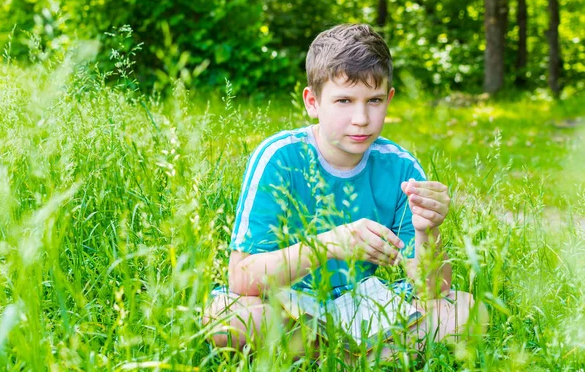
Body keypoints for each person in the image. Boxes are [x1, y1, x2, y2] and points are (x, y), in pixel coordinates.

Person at [202, 23, 487, 360]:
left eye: (374, 100)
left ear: (389, 100)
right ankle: (366, 356)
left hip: (362, 304)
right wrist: (329, 245)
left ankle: (328, 354)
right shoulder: (280, 157)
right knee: (225, 319)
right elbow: (241, 277)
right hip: (286, 304)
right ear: (313, 102)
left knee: (468, 311)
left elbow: (433, 290)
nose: (361, 118)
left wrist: (429, 230)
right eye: (344, 101)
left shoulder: (401, 167)